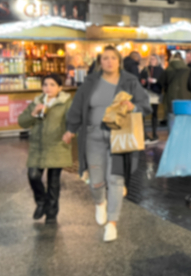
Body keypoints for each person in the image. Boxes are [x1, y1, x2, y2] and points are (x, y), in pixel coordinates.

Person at [64, 46, 151, 242]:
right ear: (100, 62)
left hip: (119, 136)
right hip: (93, 136)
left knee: (116, 180)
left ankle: (112, 223)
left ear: (119, 61)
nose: (109, 61)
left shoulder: (129, 81)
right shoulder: (90, 82)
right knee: (96, 181)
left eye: (113, 58)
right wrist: (71, 128)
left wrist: (133, 106)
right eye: (105, 58)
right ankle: (99, 202)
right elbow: (77, 106)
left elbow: (145, 105)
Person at [18, 74, 73, 224]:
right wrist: (34, 113)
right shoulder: (37, 101)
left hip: (57, 145)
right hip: (38, 147)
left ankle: (51, 213)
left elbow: (74, 121)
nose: (48, 88)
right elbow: (22, 122)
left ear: (60, 88)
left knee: (54, 182)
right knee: (33, 175)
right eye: (45, 85)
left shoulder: (66, 103)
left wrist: (70, 132)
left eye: (52, 85)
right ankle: (41, 202)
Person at [161, 52, 191, 132]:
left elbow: (162, 83)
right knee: (185, 118)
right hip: (186, 98)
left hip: (171, 98)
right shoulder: (188, 70)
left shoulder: (168, 70)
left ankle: (173, 136)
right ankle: (184, 136)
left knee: (172, 117)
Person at [140, 55, 164, 143]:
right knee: (144, 113)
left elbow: (163, 81)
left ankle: (154, 133)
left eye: (153, 59)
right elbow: (141, 78)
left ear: (157, 60)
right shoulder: (146, 69)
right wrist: (143, 81)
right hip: (146, 92)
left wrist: (155, 81)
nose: (151, 60)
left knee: (154, 113)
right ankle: (144, 133)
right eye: (151, 59)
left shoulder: (160, 70)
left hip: (156, 92)